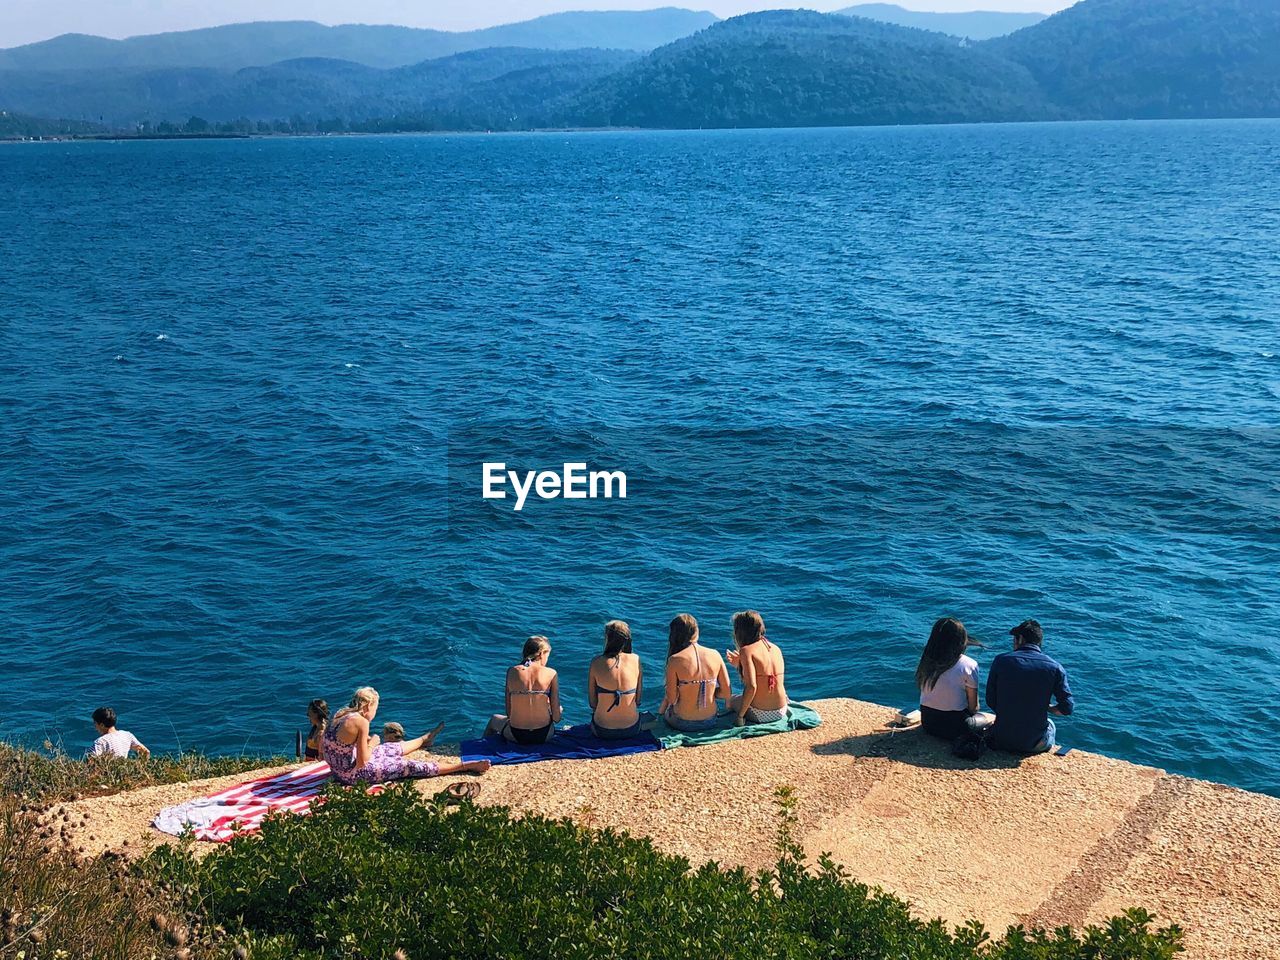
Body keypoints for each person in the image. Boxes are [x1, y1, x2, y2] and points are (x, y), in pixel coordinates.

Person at [324, 687, 485, 785]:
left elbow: (335, 744)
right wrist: (372, 743)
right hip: (352, 775)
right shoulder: (362, 722)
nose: (374, 713)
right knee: (406, 765)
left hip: (337, 770)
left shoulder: (341, 714)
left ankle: (424, 740)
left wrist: (366, 744)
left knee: (388, 748)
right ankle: (465, 766)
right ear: (367, 706)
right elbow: (362, 762)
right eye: (375, 709)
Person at [986, 619, 1074, 754]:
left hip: (1001, 739)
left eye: (1014, 638)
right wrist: (1047, 707)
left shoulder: (1001, 660)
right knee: (1050, 724)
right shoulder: (1055, 667)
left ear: (1020, 639)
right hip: (1032, 743)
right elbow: (1067, 708)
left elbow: (991, 700)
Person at [914, 617, 993, 741]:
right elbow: (973, 707)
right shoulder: (969, 665)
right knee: (986, 719)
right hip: (956, 728)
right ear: (961, 639)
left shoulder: (926, 660)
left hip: (928, 723)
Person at [484, 636, 563, 744]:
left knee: (494, 719)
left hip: (516, 735)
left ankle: (484, 749)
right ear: (541, 654)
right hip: (543, 735)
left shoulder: (512, 671)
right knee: (558, 709)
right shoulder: (551, 673)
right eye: (547, 655)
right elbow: (557, 718)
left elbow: (509, 713)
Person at [659, 614, 731, 732]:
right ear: (696, 631)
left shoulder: (674, 660)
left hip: (682, 722)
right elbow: (727, 693)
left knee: (665, 707)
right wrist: (709, 692)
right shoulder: (715, 654)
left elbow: (671, 699)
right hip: (711, 720)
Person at [727, 610, 788, 726]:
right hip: (782, 709)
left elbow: (752, 687)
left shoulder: (746, 651)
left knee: (731, 700)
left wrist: (740, 716)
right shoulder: (776, 648)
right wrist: (739, 665)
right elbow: (767, 679)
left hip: (761, 714)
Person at [588, 620, 645, 740]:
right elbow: (638, 701)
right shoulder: (636, 659)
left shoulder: (596, 662)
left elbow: (593, 703)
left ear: (607, 639)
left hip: (602, 730)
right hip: (632, 728)